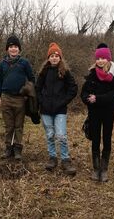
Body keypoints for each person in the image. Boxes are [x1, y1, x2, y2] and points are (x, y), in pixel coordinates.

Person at [81, 43, 114, 182]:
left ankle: (104, 169)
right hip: (94, 113)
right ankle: (96, 169)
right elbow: (83, 93)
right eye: (98, 58)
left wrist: (98, 98)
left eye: (103, 58)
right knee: (95, 138)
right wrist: (88, 99)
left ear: (108, 59)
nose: (100, 60)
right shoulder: (91, 74)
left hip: (109, 112)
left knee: (106, 138)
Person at [36, 42, 78, 175]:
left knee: (61, 135)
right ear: (48, 58)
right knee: (50, 135)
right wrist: (41, 101)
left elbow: (73, 88)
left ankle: (65, 160)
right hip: (46, 110)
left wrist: (64, 101)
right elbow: (37, 89)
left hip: (60, 110)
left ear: (60, 58)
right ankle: (52, 158)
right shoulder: (43, 72)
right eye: (52, 55)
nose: (54, 58)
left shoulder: (65, 72)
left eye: (56, 55)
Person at [0, 34, 35, 160]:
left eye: (16, 47)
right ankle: (8, 148)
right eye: (11, 46)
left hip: (20, 99)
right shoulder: (2, 64)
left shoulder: (24, 63)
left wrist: (28, 91)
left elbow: (32, 79)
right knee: (9, 126)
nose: (13, 49)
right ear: (7, 49)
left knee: (19, 125)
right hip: (6, 98)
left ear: (19, 49)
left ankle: (17, 149)